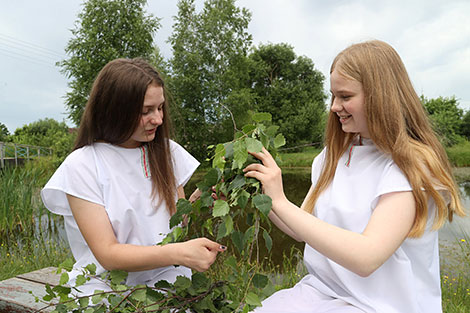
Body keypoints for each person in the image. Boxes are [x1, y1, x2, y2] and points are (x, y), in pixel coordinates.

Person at [243, 40, 465, 313]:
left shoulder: (412, 166)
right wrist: (262, 193)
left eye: (345, 96)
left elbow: (366, 257)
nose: (335, 106)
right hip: (324, 290)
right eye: (333, 96)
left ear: (380, 97)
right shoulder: (331, 156)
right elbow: (301, 229)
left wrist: (279, 202)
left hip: (385, 306)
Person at [41, 58, 226, 296]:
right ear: (114, 111)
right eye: (145, 111)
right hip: (105, 288)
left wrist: (203, 199)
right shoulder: (82, 165)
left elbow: (177, 224)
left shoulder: (166, 152)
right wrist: (179, 253)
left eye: (160, 108)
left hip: (165, 279)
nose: (158, 119)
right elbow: (108, 254)